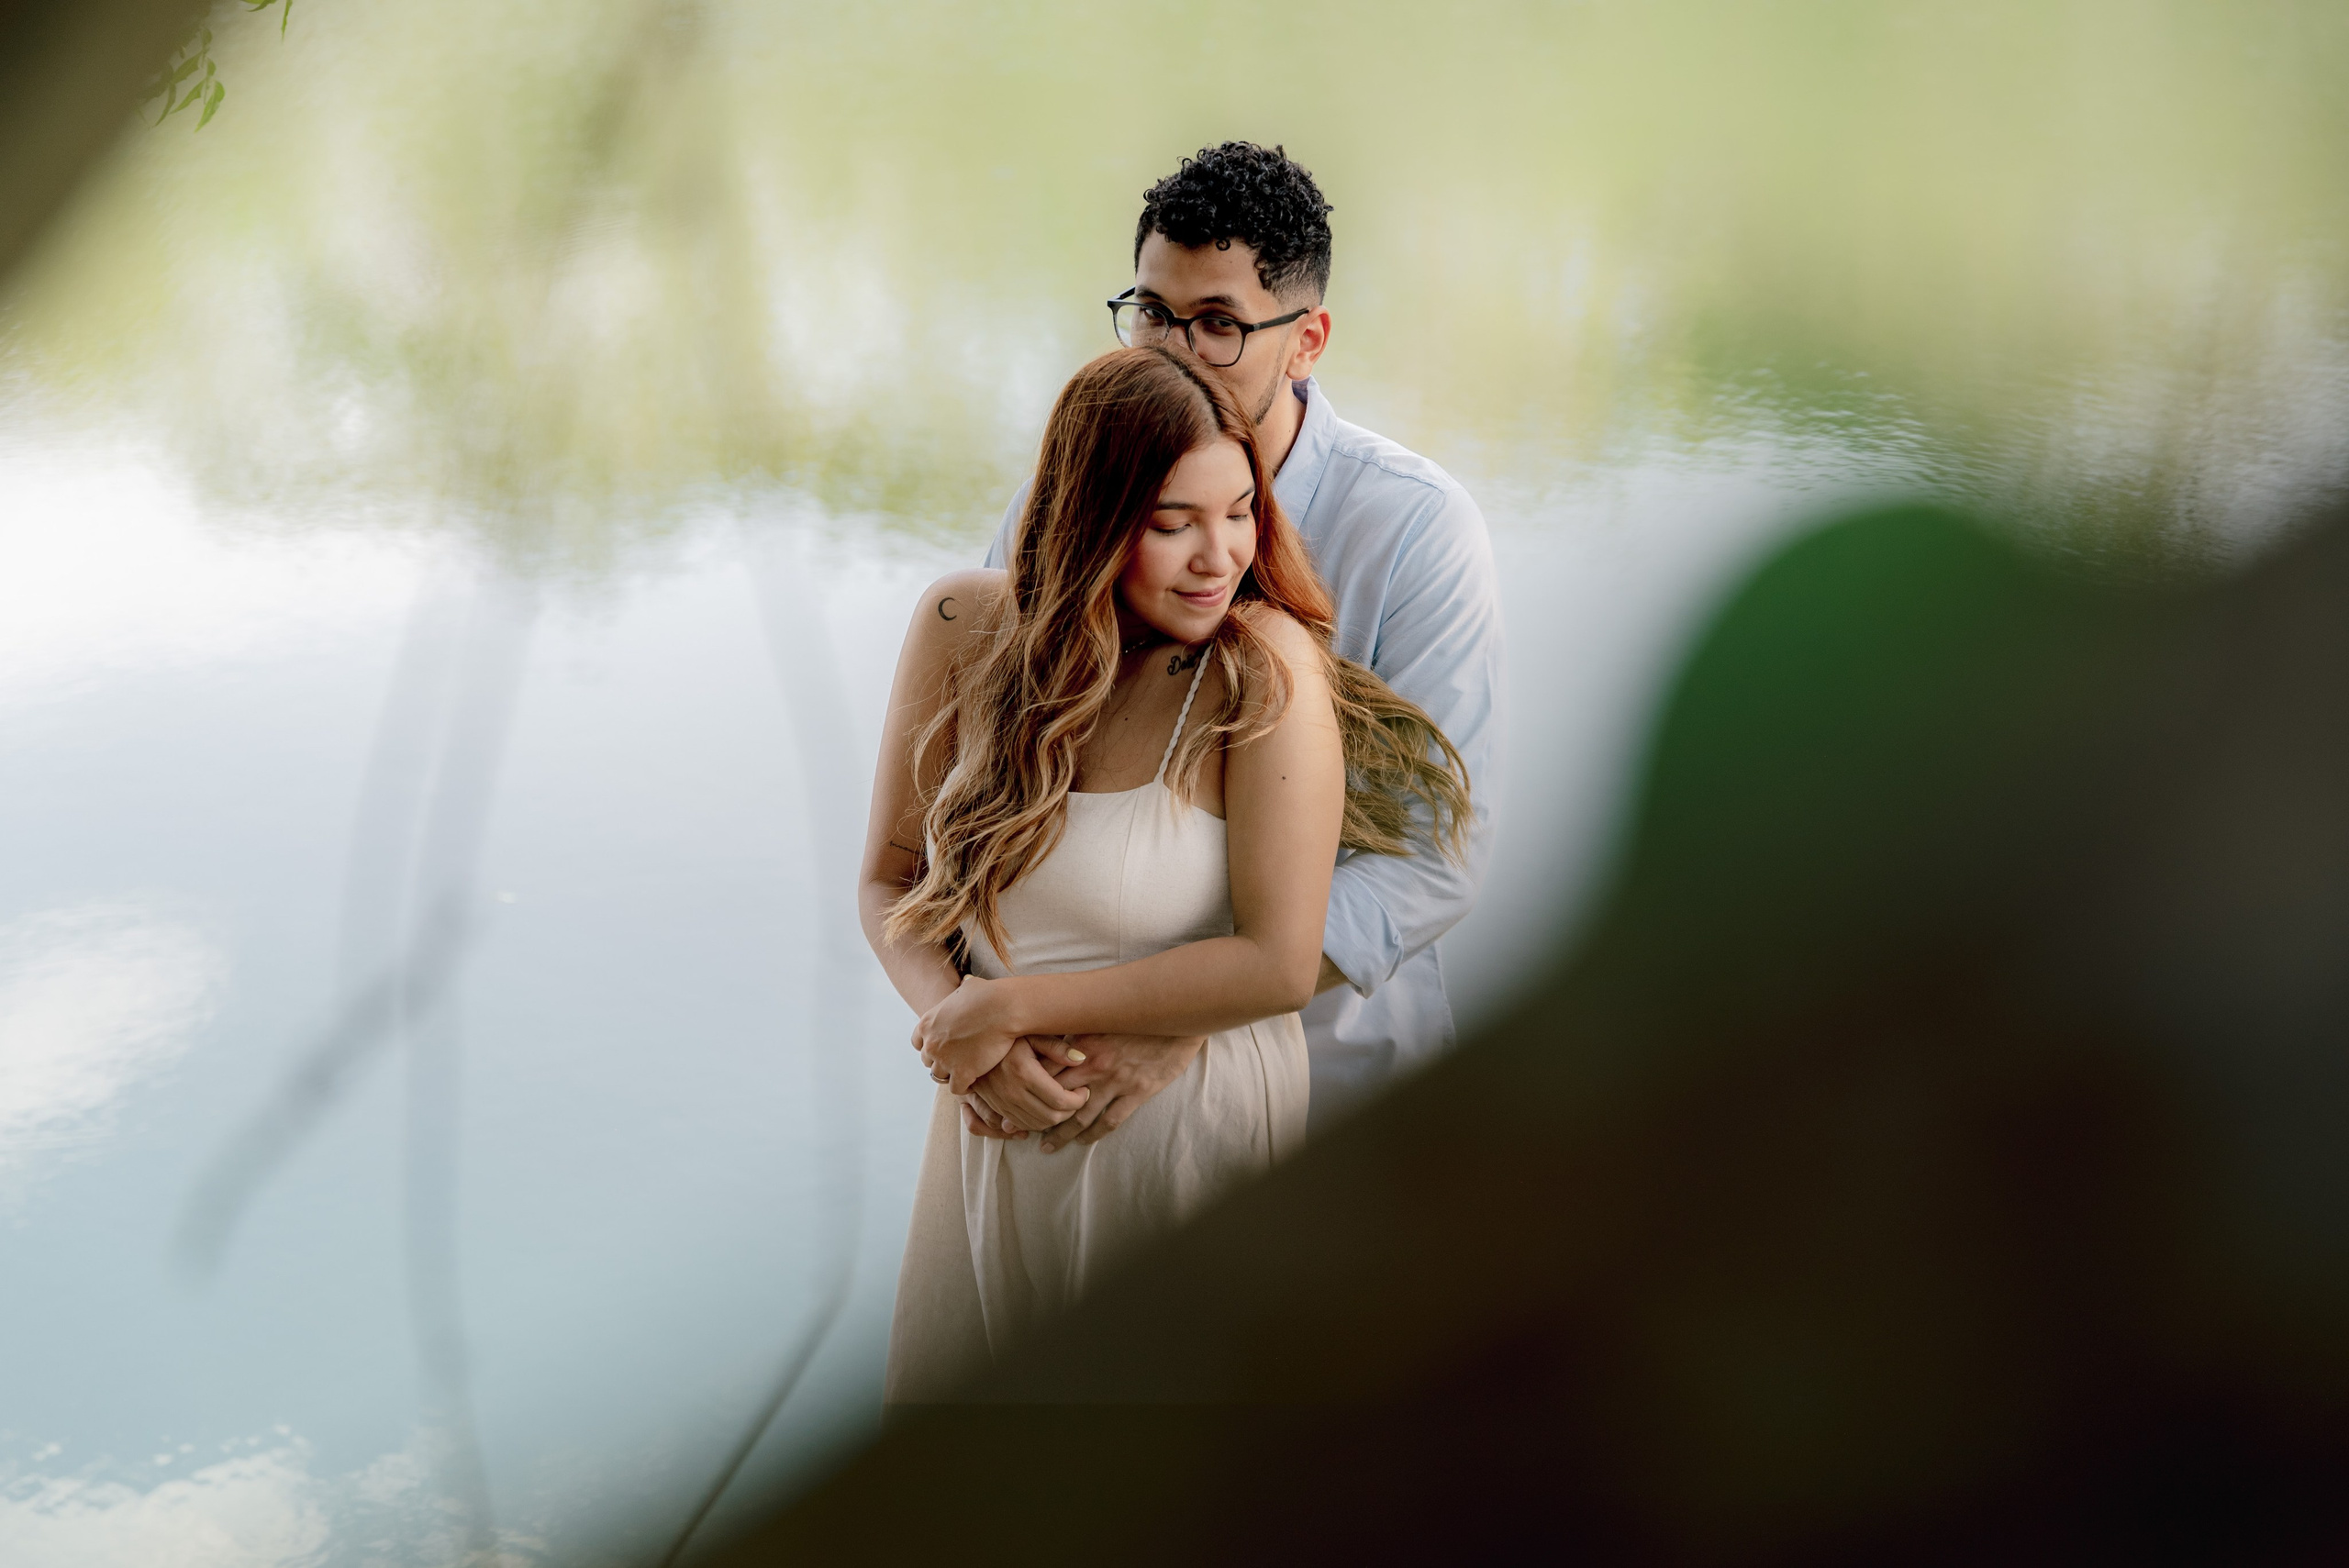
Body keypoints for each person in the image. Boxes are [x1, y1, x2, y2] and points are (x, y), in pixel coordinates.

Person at [861, 346, 1470, 1399]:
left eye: (1239, 512)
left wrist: (1006, 1008)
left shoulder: (1261, 665)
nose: (1217, 555)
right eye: (1172, 521)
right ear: (1091, 516)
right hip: (987, 1130)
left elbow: (1279, 960)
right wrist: (954, 1024)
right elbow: (890, 875)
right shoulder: (963, 630)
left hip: (1180, 1142)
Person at [982, 141, 1503, 1138]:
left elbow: (1437, 855)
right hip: (1074, 1084)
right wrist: (982, 1017)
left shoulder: (1415, 528)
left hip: (1333, 1095)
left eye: (1218, 324)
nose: (1172, 354)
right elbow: (983, 793)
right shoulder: (1048, 513)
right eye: (1152, 312)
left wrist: (1192, 1013)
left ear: (1307, 340)